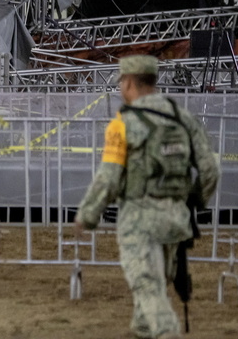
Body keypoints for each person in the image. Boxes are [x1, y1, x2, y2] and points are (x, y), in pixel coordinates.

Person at [74, 55, 220, 339]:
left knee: (147, 288)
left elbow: (109, 177)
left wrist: (88, 215)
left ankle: (167, 333)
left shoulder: (123, 123)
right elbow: (211, 169)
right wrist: (193, 202)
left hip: (139, 221)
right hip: (177, 220)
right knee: (153, 291)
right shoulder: (182, 117)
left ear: (129, 83)